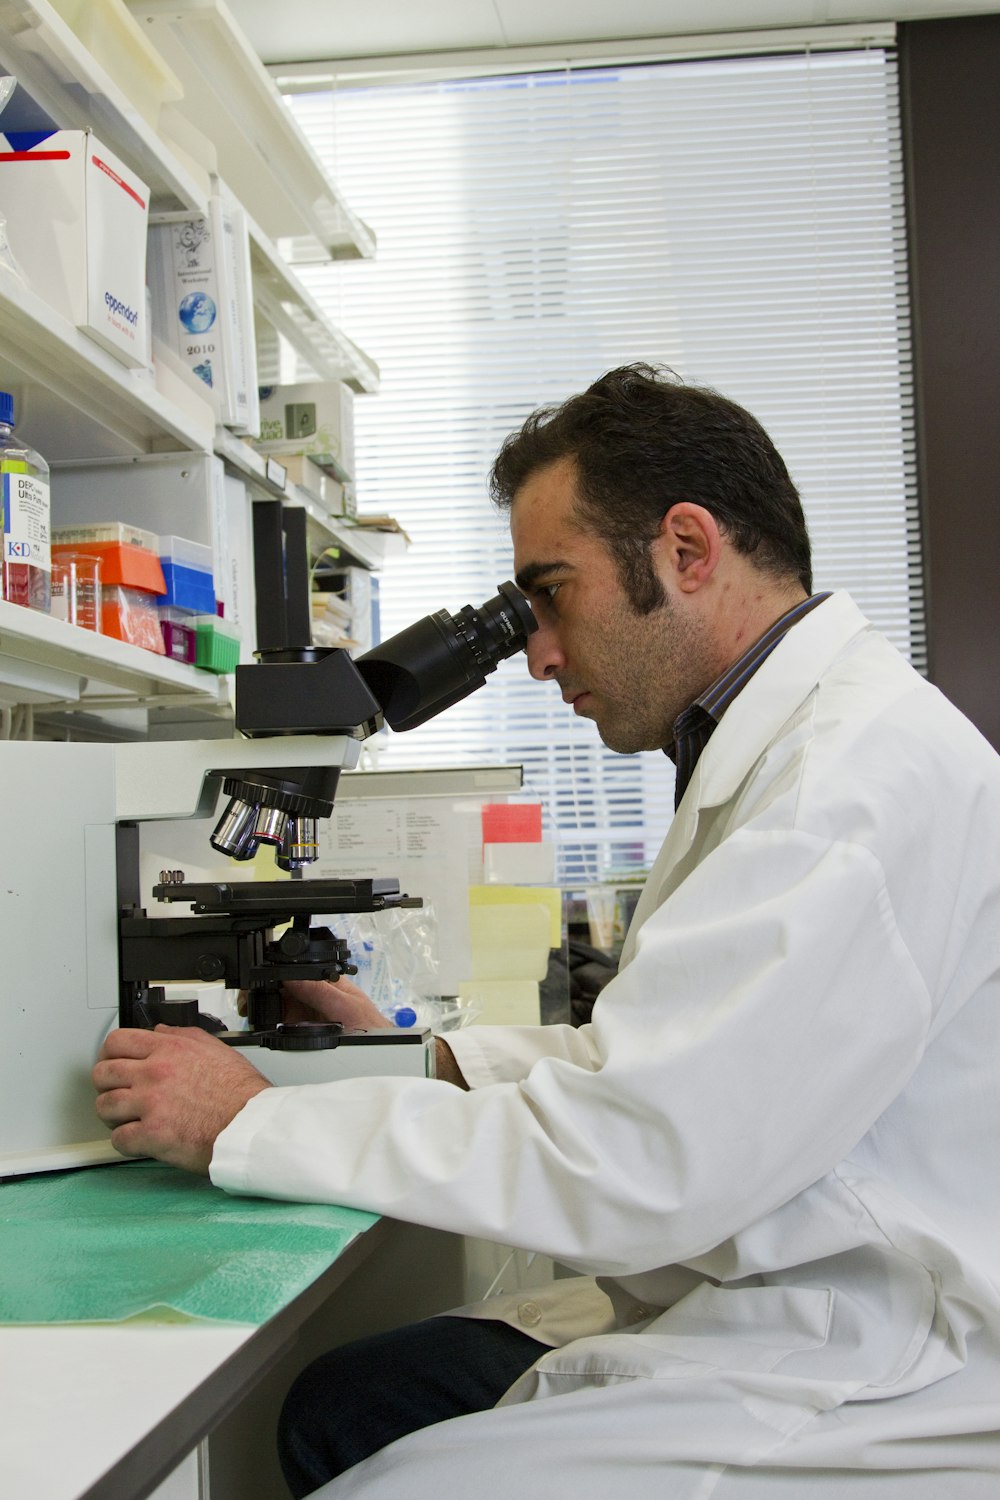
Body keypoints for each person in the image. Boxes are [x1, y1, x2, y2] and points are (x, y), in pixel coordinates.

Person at [93, 365, 1000, 1499]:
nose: (536, 653)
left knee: (382, 1483)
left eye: (551, 593)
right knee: (347, 1403)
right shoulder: (782, 746)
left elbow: (640, 1156)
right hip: (767, 1276)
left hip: (869, 1345)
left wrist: (253, 1124)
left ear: (684, 550)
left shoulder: (847, 790)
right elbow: (670, 1053)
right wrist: (427, 1056)